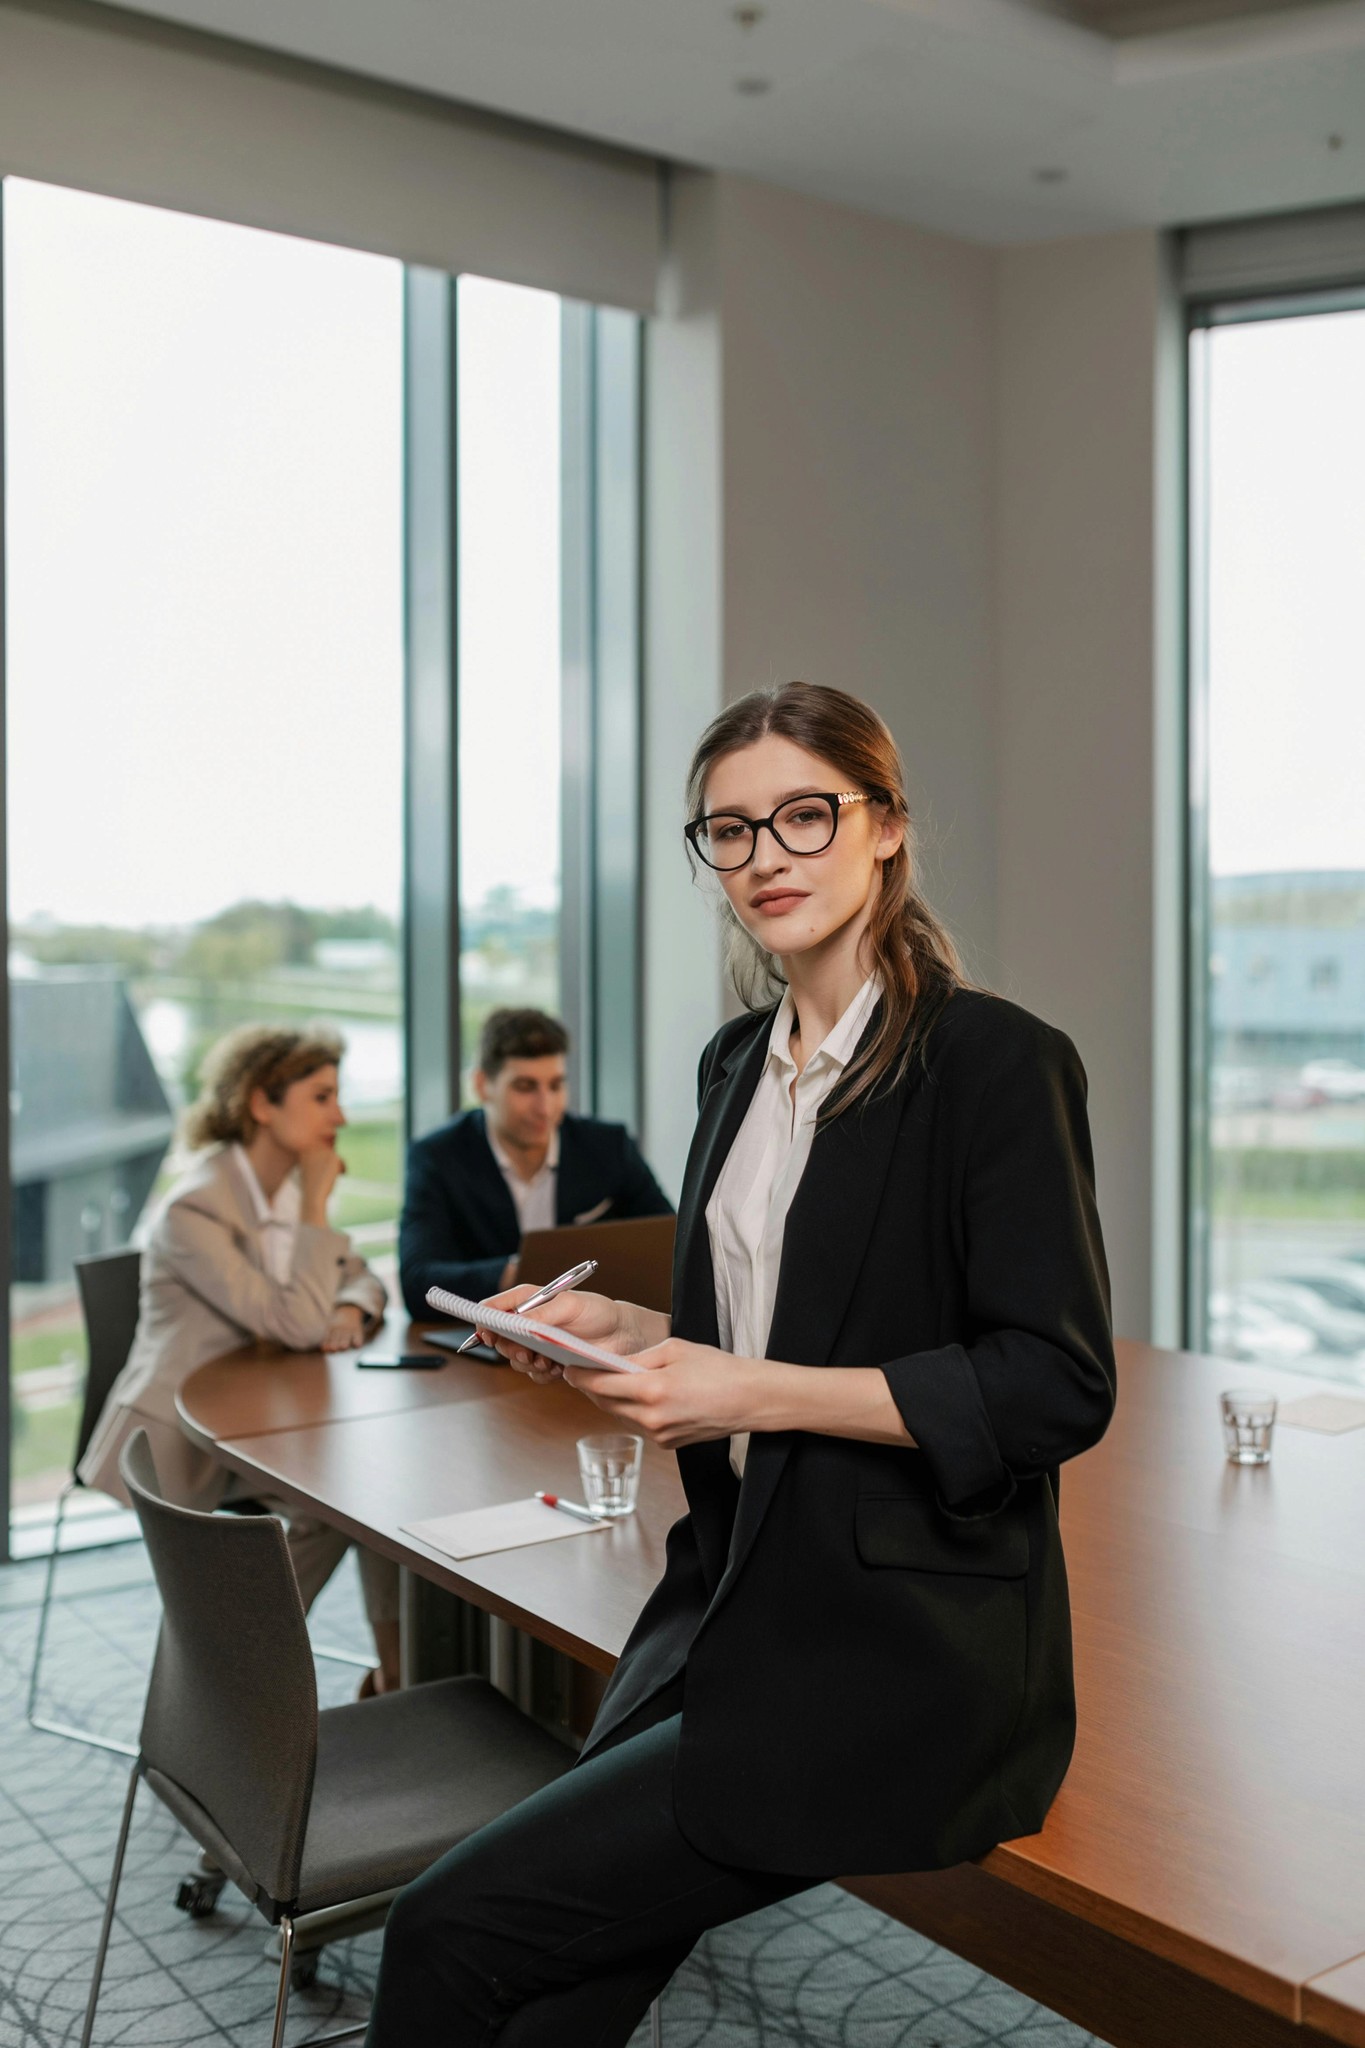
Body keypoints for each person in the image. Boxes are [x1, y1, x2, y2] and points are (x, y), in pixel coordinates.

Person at [365, 681, 1116, 2045]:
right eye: (728, 830)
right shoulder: (733, 1067)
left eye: (803, 816)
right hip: (729, 1604)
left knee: (448, 1931)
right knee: (550, 1996)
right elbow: (767, 1335)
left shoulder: (994, 1066)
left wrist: (736, 1388)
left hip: (898, 1657)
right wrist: (634, 1335)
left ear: (883, 827)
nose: (763, 855)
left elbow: (1050, 1385)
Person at [80, 1024, 402, 1695]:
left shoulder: (282, 1191)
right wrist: (318, 1205)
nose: (340, 1117)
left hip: (265, 1418)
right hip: (179, 1438)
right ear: (262, 1104)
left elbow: (361, 1276)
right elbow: (292, 1321)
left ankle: (394, 1676)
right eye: (322, 1097)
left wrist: (350, 1308)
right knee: (339, 1507)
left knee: (366, 1505)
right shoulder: (195, 1208)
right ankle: (232, 1664)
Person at [399, 1006, 673, 1318]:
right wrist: (520, 1274)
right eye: (525, 1087)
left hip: (593, 1333)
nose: (545, 1107)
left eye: (555, 1085)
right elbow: (417, 1282)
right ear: (481, 1085)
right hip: (491, 1343)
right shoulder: (438, 1157)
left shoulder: (609, 1147)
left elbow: (671, 1247)